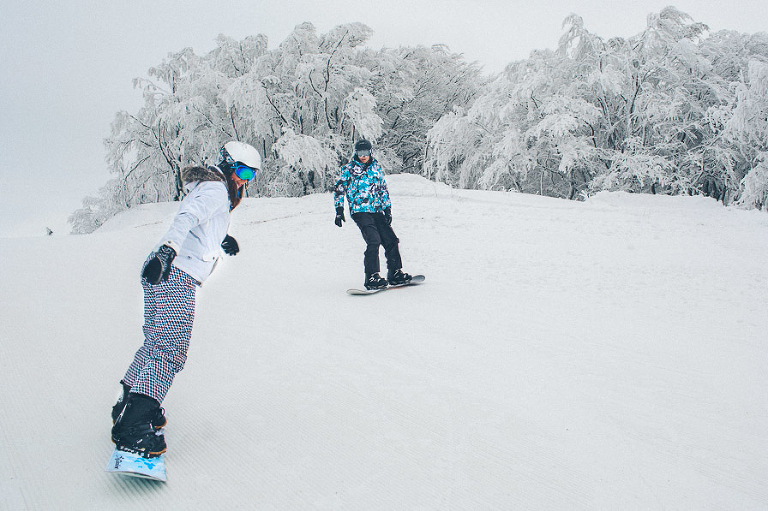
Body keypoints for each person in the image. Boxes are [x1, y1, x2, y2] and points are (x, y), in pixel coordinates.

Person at [110, 141, 261, 458]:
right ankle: (132, 428)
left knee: (155, 343)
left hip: (162, 270)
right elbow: (187, 215)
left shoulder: (214, 190)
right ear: (229, 165)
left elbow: (201, 222)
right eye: (244, 171)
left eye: (253, 174)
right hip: (174, 272)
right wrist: (168, 251)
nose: (246, 179)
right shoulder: (217, 190)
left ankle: (129, 406)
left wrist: (222, 238)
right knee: (170, 351)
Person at [334, 139, 412, 290]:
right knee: (374, 240)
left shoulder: (375, 168)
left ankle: (395, 272)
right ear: (356, 153)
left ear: (370, 152)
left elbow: (382, 189)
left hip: (376, 210)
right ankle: (372, 276)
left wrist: (387, 209)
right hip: (360, 211)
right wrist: (339, 210)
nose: (363, 156)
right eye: (360, 153)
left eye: (366, 153)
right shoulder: (349, 169)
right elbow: (339, 189)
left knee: (391, 240)